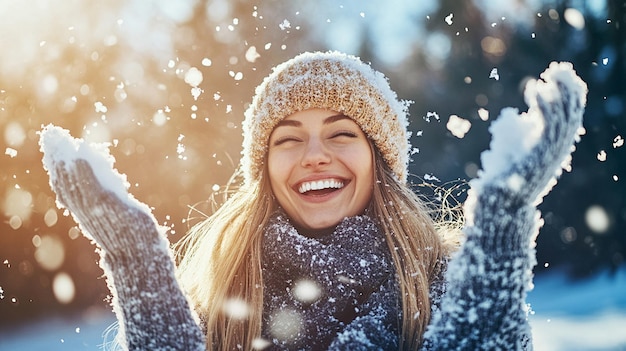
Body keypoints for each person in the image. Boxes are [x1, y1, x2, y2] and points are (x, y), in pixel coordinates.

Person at [40, 51, 586, 350]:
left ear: (381, 162)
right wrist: (137, 262)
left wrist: (502, 224)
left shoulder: (444, 283)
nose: (314, 155)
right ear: (264, 172)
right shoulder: (217, 307)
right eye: (287, 138)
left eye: (342, 133)